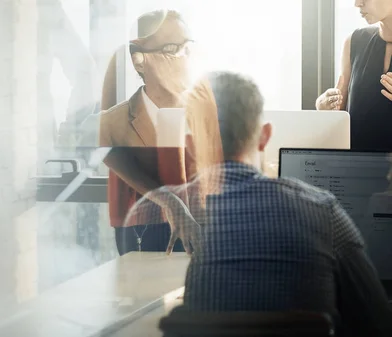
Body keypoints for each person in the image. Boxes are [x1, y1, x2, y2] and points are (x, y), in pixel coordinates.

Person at [128, 71, 392, 336]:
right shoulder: (322, 210)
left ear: (191, 147)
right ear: (265, 136)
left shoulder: (177, 223)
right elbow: (377, 320)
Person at [98, 9, 221, 256]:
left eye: (188, 47)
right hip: (145, 231)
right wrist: (169, 201)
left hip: (207, 231)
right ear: (139, 60)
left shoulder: (209, 110)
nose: (185, 57)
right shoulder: (115, 121)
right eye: (172, 48)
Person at [316, 0, 392, 150]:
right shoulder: (354, 41)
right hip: (355, 166)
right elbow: (339, 110)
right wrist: (322, 106)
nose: (357, 3)